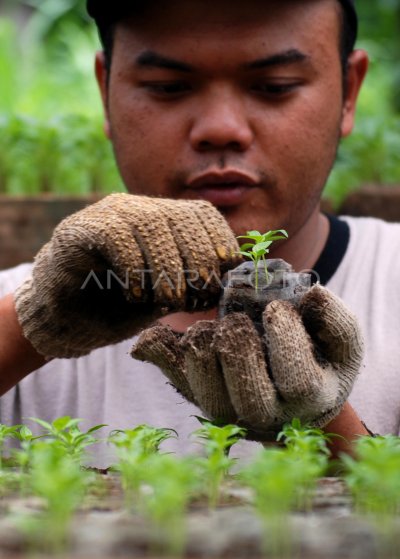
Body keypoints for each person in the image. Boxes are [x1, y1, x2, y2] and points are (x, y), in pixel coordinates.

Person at [2, 0, 395, 466]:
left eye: (275, 87)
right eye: (168, 87)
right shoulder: (13, 312)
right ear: (105, 90)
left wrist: (327, 422)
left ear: (348, 93)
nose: (220, 129)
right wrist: (32, 327)